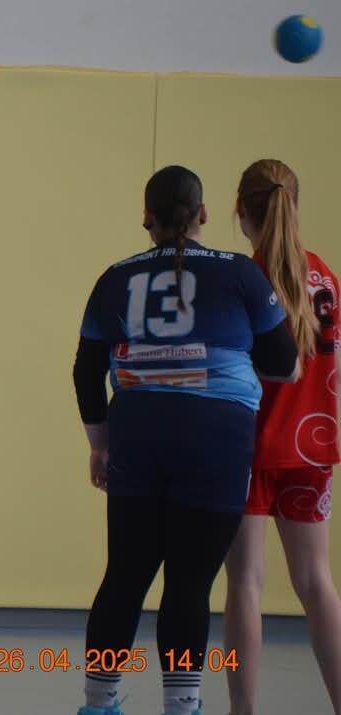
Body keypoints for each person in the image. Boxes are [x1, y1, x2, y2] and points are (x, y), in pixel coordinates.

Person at [71, 165, 299, 715]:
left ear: (146, 218)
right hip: (216, 438)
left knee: (124, 577)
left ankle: (97, 704)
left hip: (137, 433)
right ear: (203, 215)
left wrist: (100, 444)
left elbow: (85, 372)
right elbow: (284, 364)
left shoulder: (114, 277)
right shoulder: (240, 273)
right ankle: (182, 705)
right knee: (190, 584)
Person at [223, 158, 341, 715]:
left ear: (239, 210)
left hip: (249, 449)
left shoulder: (244, 280)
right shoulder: (326, 278)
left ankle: (242, 711)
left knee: (245, 583)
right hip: (311, 448)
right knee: (317, 583)